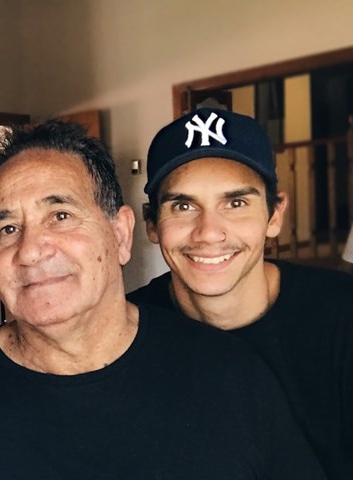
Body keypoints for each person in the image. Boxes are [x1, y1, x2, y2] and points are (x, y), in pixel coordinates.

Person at [0, 120, 326, 479]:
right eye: (7, 229)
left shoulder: (230, 375)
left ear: (120, 234)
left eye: (60, 215)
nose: (30, 250)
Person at [127, 107, 353, 480]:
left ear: (275, 214)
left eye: (236, 203)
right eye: (183, 206)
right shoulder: (124, 332)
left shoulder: (343, 315)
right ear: (152, 224)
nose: (209, 232)